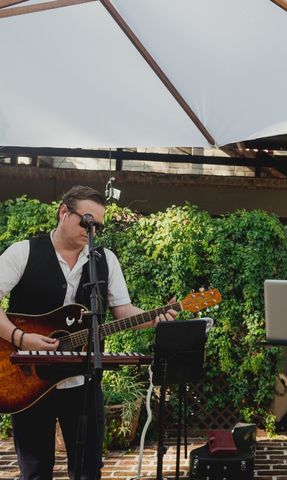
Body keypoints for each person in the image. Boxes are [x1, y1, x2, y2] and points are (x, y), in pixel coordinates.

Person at [0, 185, 176, 480]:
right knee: (34, 472)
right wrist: (21, 338)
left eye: (98, 226)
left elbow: (123, 312)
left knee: (88, 471)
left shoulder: (105, 260)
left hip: (83, 381)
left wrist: (155, 316)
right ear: (63, 212)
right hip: (28, 379)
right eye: (87, 221)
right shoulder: (23, 252)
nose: (91, 230)